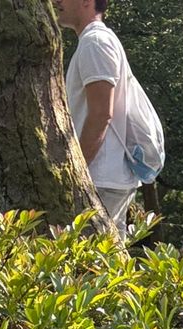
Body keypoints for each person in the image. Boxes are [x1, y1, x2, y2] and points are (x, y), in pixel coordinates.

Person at [56, 0, 140, 238]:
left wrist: (75, 170)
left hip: (99, 179)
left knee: (91, 257)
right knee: (107, 256)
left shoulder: (95, 43)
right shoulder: (95, 41)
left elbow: (102, 114)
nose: (56, 1)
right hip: (104, 177)